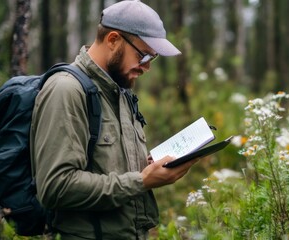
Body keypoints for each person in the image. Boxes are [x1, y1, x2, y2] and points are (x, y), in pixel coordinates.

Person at [30, 1, 197, 239]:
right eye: (143, 55)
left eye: (153, 57)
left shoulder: (119, 91)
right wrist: (142, 181)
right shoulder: (66, 91)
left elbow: (108, 166)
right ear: (113, 40)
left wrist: (147, 165)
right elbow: (56, 187)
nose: (147, 66)